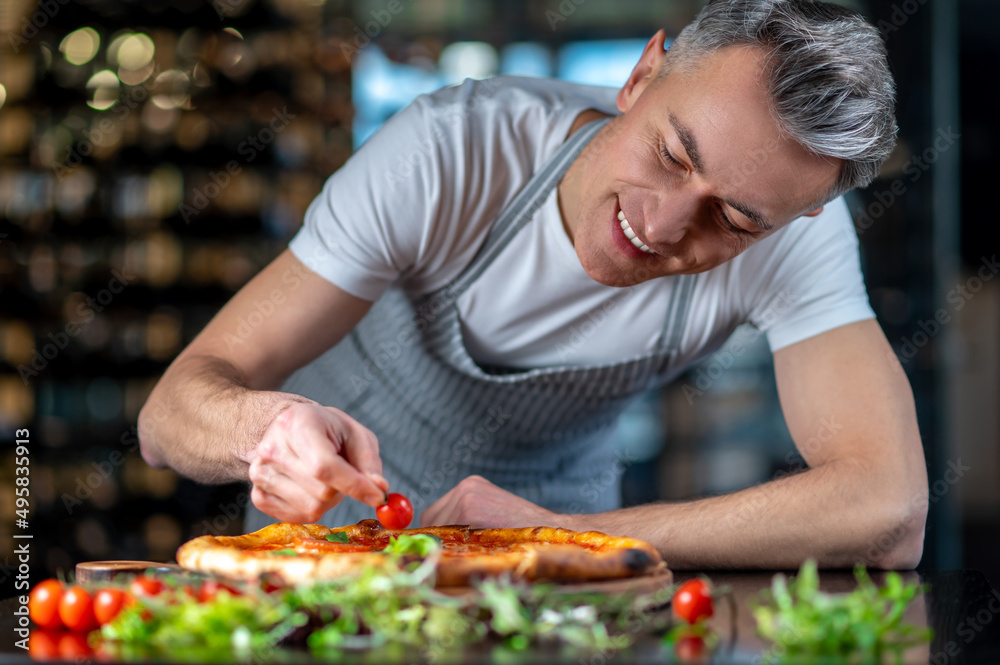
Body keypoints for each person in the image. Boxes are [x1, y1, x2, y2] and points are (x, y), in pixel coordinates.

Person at [140, 0, 928, 569]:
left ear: (799, 217)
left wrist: (572, 533)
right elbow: (169, 413)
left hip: (566, 548)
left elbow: (889, 508)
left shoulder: (799, 234)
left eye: (734, 220)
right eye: (671, 154)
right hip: (339, 539)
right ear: (642, 75)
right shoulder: (449, 151)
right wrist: (265, 425)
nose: (659, 227)